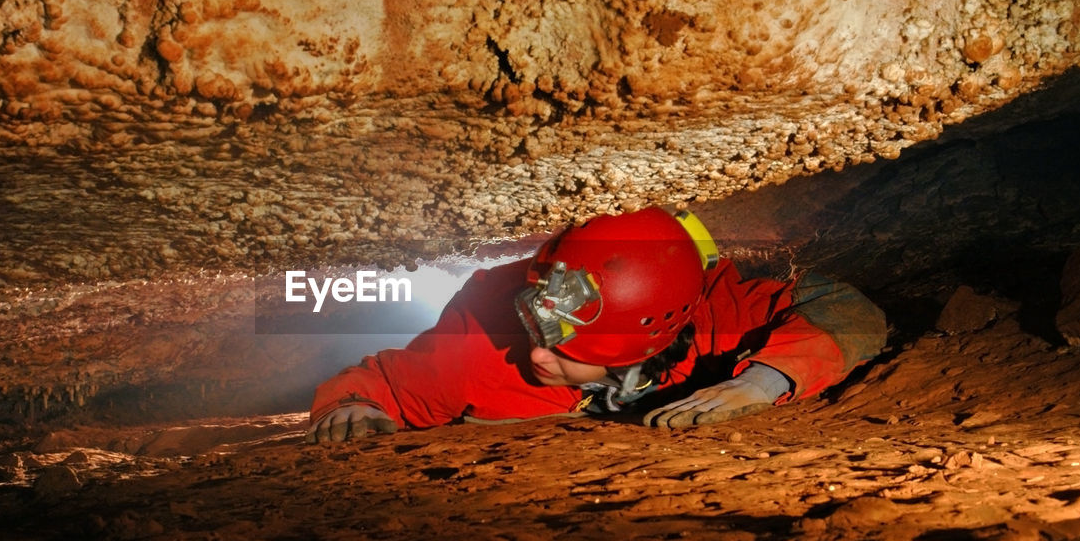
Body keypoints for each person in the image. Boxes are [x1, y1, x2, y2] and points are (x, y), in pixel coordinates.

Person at [306, 207, 886, 443]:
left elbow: (844, 310)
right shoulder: (479, 351)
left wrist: (766, 379)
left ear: (647, 344)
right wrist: (350, 405)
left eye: (566, 348)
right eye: (536, 329)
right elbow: (383, 380)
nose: (537, 356)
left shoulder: (708, 310)